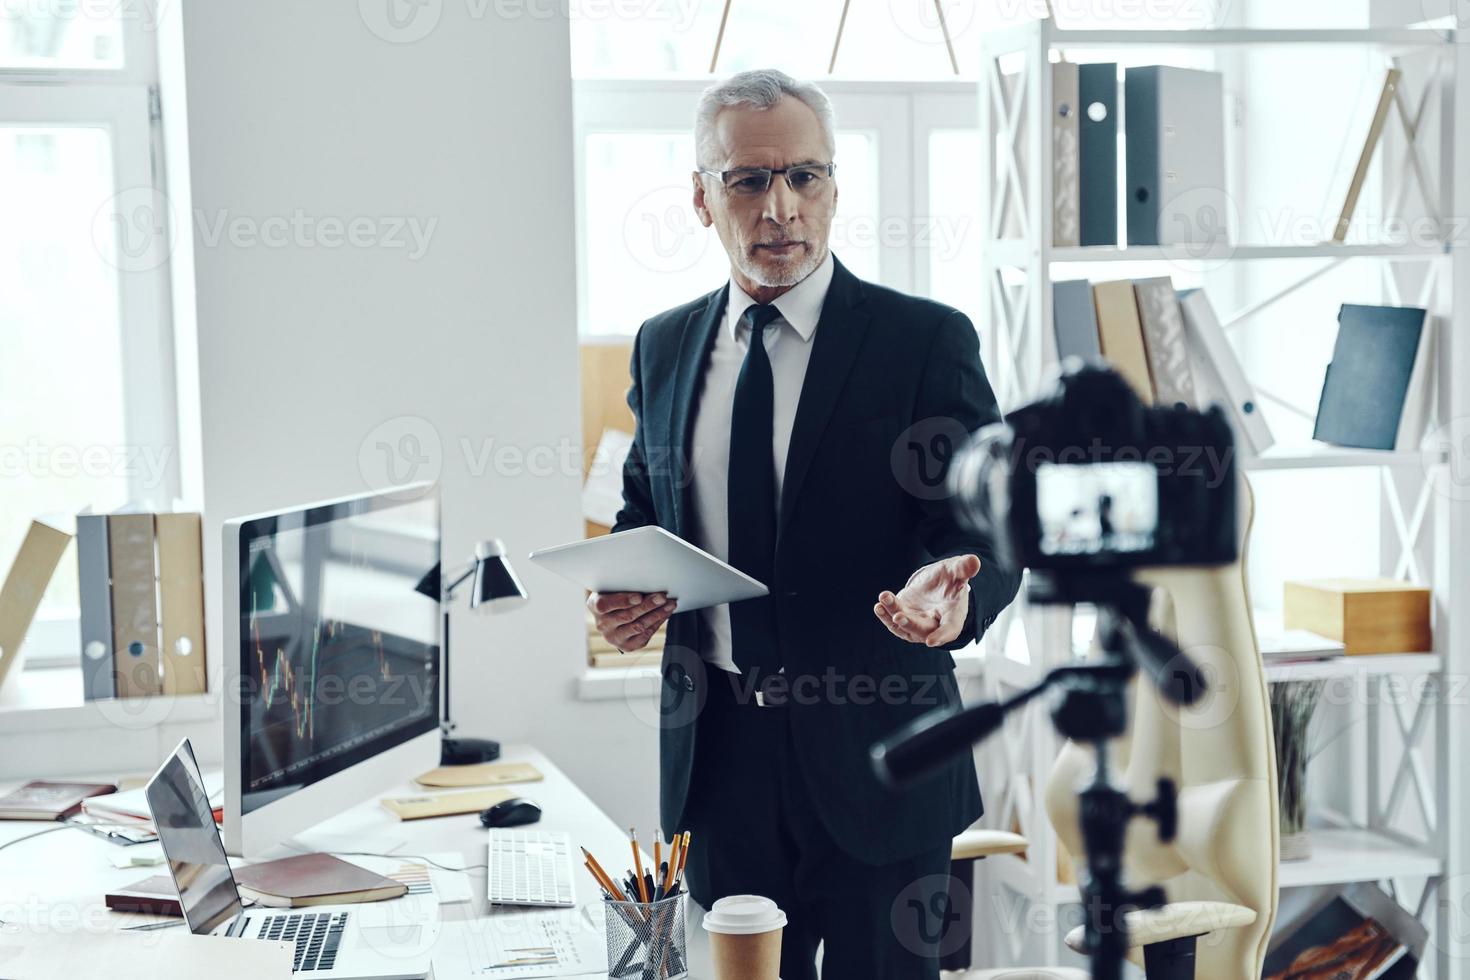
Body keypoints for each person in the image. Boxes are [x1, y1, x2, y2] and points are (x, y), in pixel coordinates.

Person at [587, 69, 1020, 979]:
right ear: (703, 199)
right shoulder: (663, 344)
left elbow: (988, 527)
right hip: (721, 763)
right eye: (747, 180)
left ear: (833, 188)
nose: (779, 205)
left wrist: (952, 599)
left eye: (805, 177)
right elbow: (645, 509)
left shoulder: (923, 341)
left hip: (880, 759)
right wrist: (626, 594)